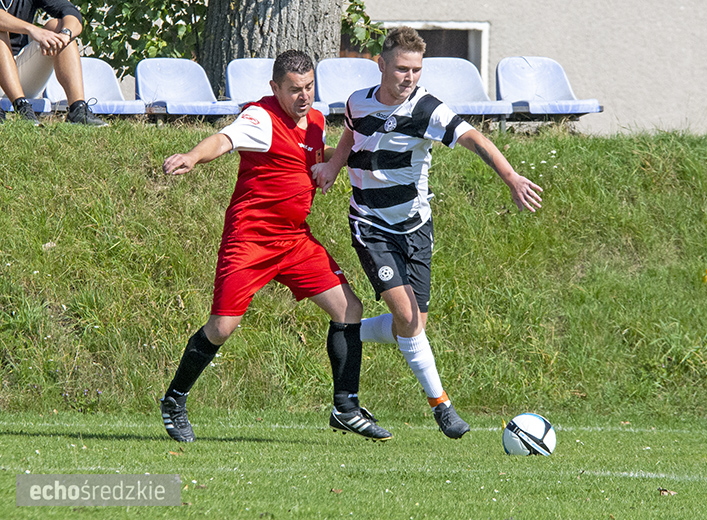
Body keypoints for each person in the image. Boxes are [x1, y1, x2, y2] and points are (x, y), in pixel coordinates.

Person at [311, 27, 543, 439]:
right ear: (381, 64)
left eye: (416, 70)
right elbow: (350, 134)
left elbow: (473, 138)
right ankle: (443, 407)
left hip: (415, 227)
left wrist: (510, 177)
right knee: (406, 317)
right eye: (402, 68)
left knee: (414, 323)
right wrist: (333, 164)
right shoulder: (357, 102)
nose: (409, 77)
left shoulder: (429, 109)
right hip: (370, 223)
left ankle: (350, 331)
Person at [159, 50, 391, 443]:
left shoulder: (316, 120)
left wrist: (346, 160)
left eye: (309, 87)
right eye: (294, 89)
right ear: (275, 88)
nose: (304, 96)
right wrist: (193, 156)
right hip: (250, 239)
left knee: (349, 308)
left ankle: (346, 408)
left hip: (295, 240)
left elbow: (320, 155)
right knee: (221, 327)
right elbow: (224, 139)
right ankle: (174, 400)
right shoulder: (261, 117)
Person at [0, 1, 106, 125]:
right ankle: (21, 107)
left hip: (18, 74)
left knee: (58, 27)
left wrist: (65, 35)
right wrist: (32, 29)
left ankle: (78, 109)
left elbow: (70, 11)